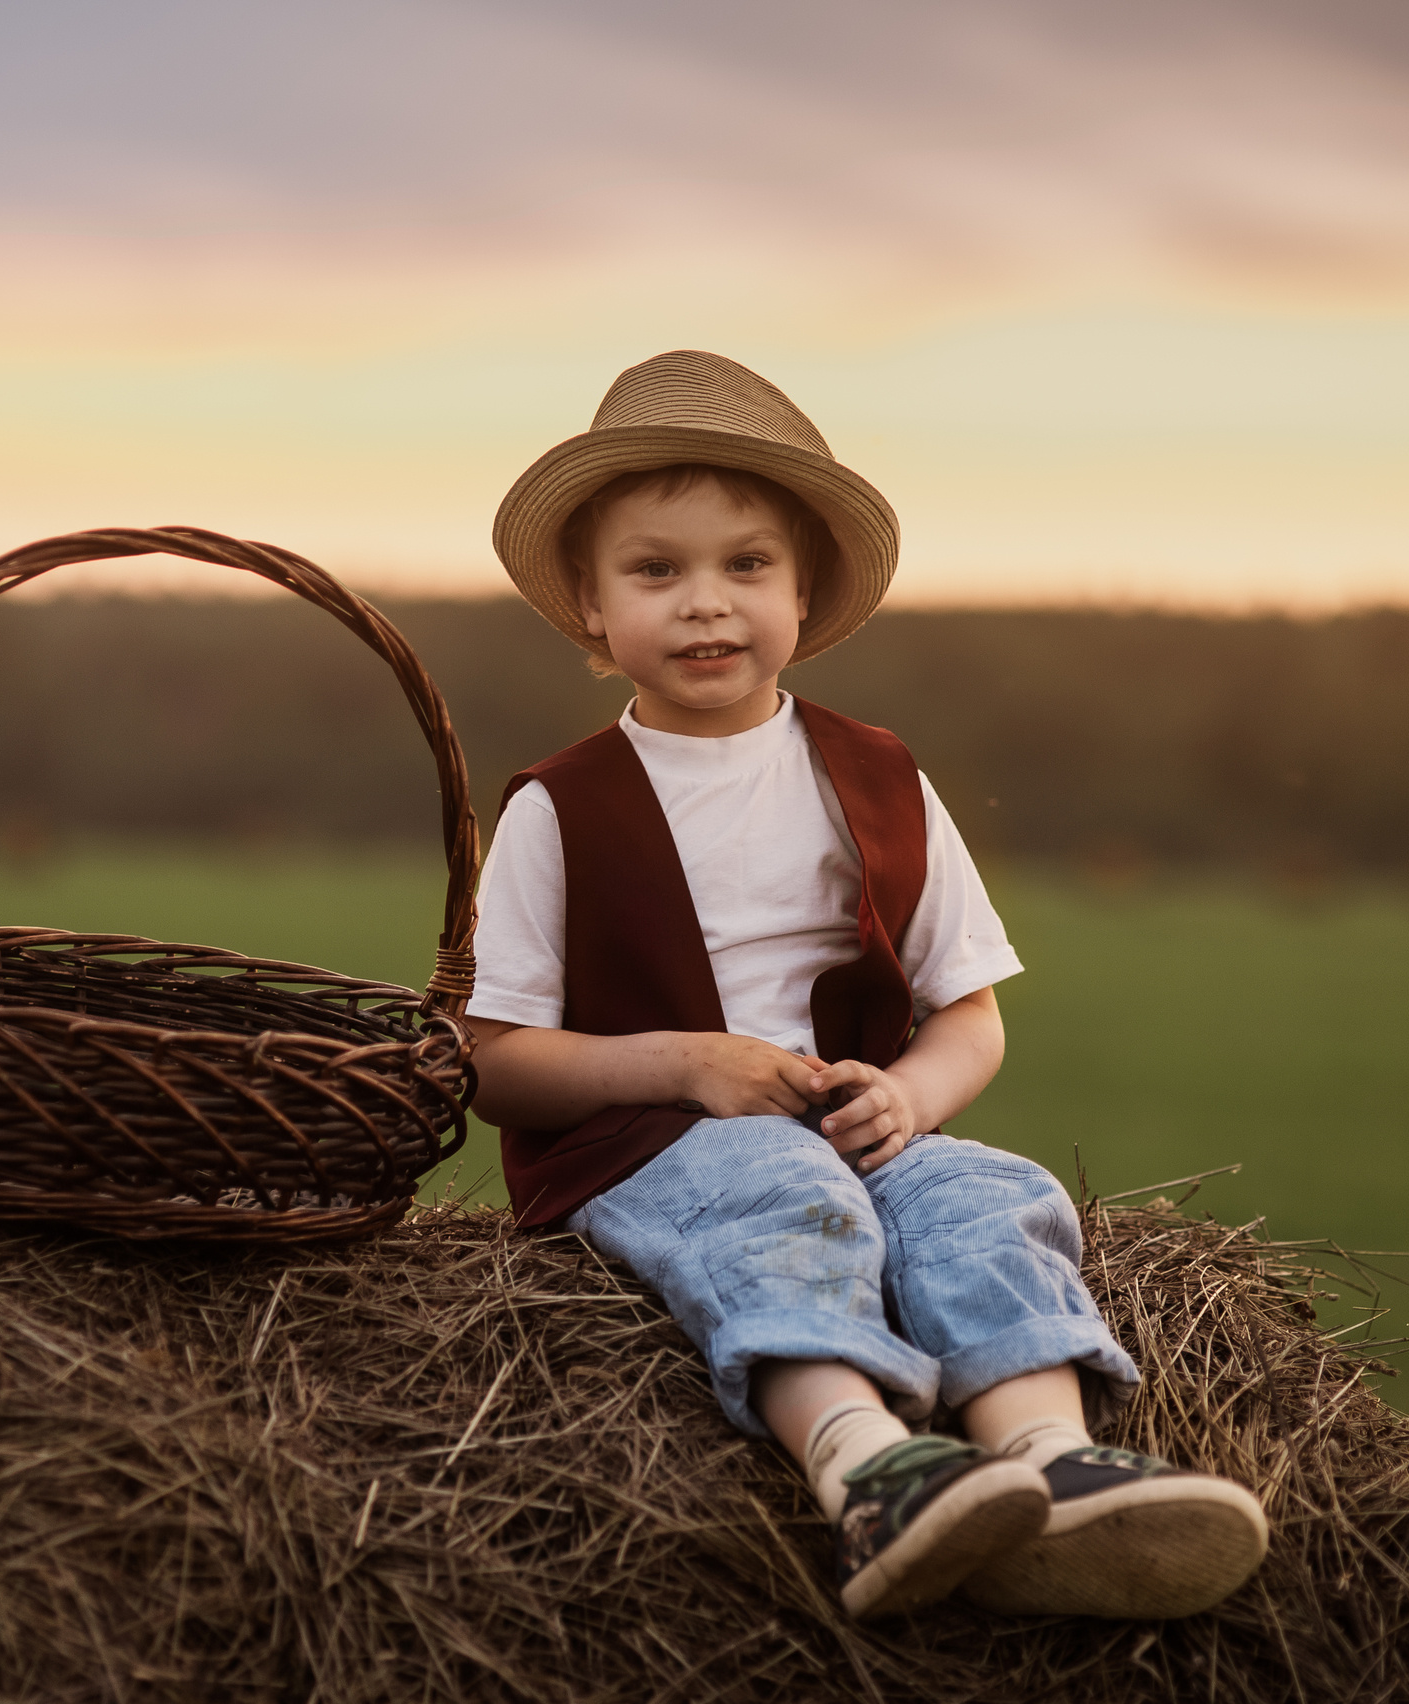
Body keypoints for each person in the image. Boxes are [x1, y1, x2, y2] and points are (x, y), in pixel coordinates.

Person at [465, 350, 1269, 1620]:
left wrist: (907, 1099)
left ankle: (1048, 1458)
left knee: (985, 1190)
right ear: (589, 601)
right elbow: (494, 1061)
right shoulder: (556, 810)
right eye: (654, 569)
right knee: (779, 1188)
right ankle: (864, 1462)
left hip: (851, 1124)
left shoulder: (878, 774)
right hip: (642, 1143)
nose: (703, 604)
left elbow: (968, 1012)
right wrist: (683, 1065)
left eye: (746, 565)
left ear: (802, 589)